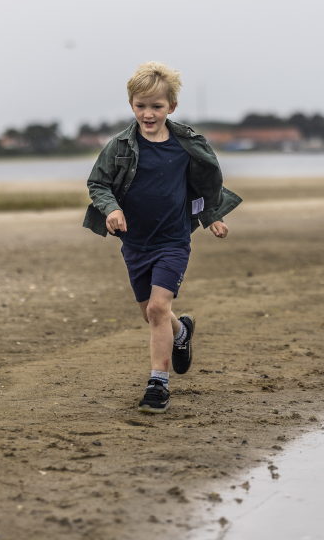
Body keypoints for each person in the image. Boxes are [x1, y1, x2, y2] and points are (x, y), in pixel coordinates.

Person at [83, 61, 241, 413]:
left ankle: (158, 384)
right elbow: (98, 183)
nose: (148, 113)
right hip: (135, 243)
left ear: (172, 106)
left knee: (158, 308)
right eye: (141, 106)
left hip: (173, 242)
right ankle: (181, 334)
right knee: (152, 315)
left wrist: (212, 216)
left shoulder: (185, 144)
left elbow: (204, 183)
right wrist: (111, 209)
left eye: (157, 106)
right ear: (131, 105)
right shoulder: (120, 146)